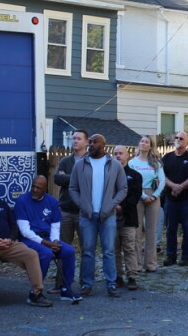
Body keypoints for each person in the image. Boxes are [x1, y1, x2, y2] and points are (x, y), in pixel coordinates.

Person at [0, 177, 53, 311]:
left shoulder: (2, 204)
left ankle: (37, 293)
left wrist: (10, 239)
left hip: (7, 244)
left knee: (31, 254)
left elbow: (14, 226)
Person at [70, 134, 128, 297]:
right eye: (90, 142)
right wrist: (82, 204)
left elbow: (123, 188)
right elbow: (73, 188)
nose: (91, 144)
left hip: (108, 215)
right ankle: (87, 284)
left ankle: (111, 284)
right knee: (87, 250)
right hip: (87, 215)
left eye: (95, 142)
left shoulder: (114, 165)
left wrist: (110, 205)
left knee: (109, 250)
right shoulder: (80, 165)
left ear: (104, 145)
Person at [15, 176, 81, 302]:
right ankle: (35, 292)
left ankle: (66, 290)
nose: (34, 189)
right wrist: (47, 244)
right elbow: (24, 231)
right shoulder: (22, 201)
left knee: (69, 251)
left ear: (45, 189)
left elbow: (55, 225)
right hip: (30, 239)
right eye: (33, 186)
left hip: (48, 238)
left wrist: (55, 241)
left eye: (38, 187)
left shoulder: (52, 201)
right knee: (46, 253)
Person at [52, 129, 88, 290]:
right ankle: (61, 283)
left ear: (86, 142)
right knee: (61, 248)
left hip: (84, 212)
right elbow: (57, 178)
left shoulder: (91, 160)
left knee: (86, 249)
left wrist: (69, 177)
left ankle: (85, 283)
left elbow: (90, 181)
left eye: (79, 139)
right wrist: (76, 177)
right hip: (65, 210)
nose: (75, 141)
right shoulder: (66, 160)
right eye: (73, 138)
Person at [129, 135, 165, 272]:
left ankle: (150, 264)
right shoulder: (132, 163)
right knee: (136, 231)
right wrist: (143, 195)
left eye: (147, 142)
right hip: (137, 195)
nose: (143, 143)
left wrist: (154, 195)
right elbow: (131, 181)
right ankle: (137, 264)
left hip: (153, 196)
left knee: (151, 230)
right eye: (142, 141)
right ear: (139, 144)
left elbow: (161, 181)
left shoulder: (156, 163)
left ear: (151, 146)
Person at [161, 131, 188, 266]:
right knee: (171, 229)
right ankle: (171, 256)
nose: (178, 140)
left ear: (187, 142)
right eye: (176, 138)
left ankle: (186, 257)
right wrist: (173, 186)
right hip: (170, 199)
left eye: (181, 138)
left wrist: (180, 187)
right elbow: (162, 175)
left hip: (187, 199)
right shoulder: (167, 157)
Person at [113, 145, 143, 290]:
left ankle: (132, 276)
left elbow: (135, 196)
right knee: (114, 248)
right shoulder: (108, 174)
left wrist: (121, 207)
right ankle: (117, 276)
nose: (118, 156)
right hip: (110, 218)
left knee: (129, 248)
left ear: (127, 156)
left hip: (129, 218)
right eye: (115, 154)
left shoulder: (135, 175)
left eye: (121, 153)